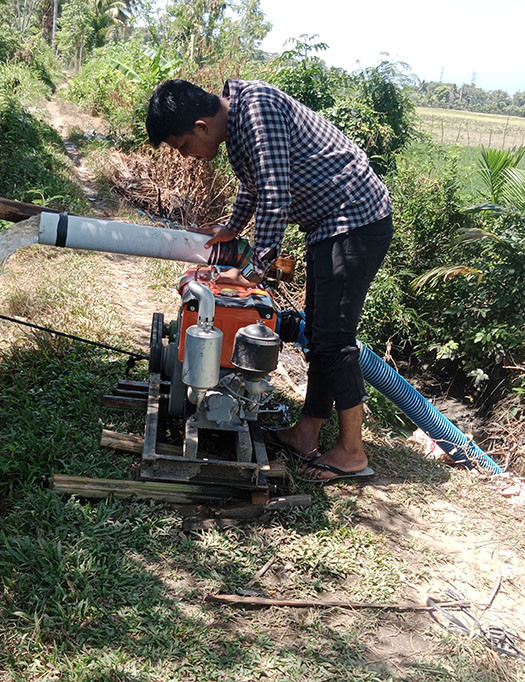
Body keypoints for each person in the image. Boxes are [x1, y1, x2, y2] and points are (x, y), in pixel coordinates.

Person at [145, 78, 393, 483]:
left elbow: (275, 196)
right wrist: (232, 227)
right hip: (328, 226)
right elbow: (253, 187)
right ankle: (306, 432)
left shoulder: (257, 110)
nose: (188, 156)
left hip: (356, 221)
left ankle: (352, 452)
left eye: (183, 145)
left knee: (334, 339)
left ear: (201, 125)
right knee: (320, 332)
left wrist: (251, 273)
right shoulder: (237, 126)